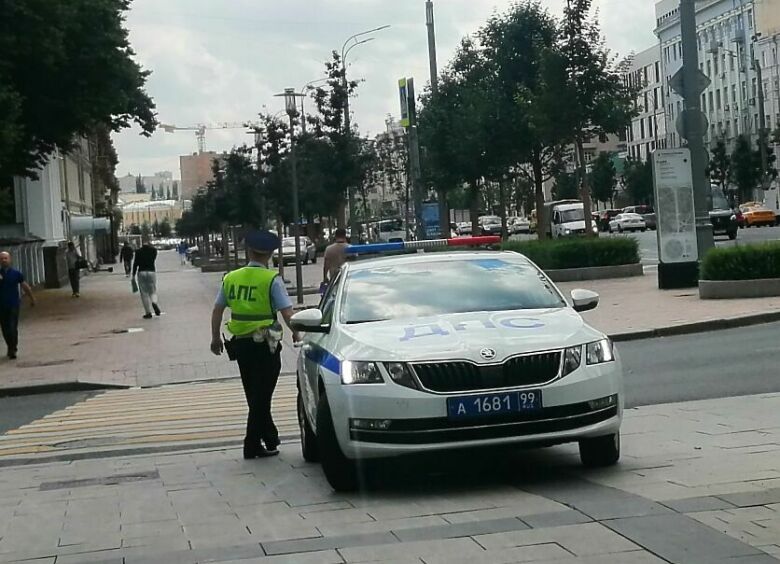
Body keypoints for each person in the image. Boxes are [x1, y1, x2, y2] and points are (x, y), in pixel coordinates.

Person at [210, 230, 299, 459]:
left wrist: (215, 338)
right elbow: (287, 313)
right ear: (270, 254)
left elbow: (217, 310)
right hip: (266, 345)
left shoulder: (231, 278)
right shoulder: (271, 279)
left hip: (241, 345)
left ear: (248, 251)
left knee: (255, 394)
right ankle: (251, 444)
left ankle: (269, 437)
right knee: (261, 396)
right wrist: (297, 334)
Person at [0, 251, 35, 359]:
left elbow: (25, 286)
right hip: (1, 306)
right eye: (2, 258)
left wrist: (32, 298)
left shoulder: (16, 273)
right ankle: (10, 346)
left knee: (12, 326)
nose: (4, 260)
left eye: (5, 258)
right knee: (5, 328)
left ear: (10, 259)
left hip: (13, 304)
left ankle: (13, 348)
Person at [132, 238, 160, 319]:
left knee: (144, 293)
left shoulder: (138, 252)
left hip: (141, 272)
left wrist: (133, 274)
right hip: (151, 271)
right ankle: (154, 302)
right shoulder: (153, 251)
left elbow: (135, 264)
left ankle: (148, 312)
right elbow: (154, 257)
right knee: (153, 291)